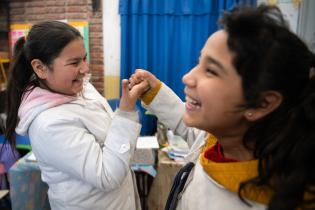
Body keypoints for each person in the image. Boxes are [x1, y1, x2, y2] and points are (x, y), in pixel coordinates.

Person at [128, 5, 315, 210]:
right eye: (199, 62)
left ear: (263, 103)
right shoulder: (224, 138)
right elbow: (193, 131)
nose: (187, 77)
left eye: (211, 70)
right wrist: (155, 92)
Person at [4, 20, 148, 210]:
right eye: (74, 62)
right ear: (40, 68)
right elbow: (107, 175)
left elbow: (108, 132)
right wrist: (126, 112)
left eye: (84, 58)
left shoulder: (81, 88)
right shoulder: (50, 124)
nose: (85, 69)